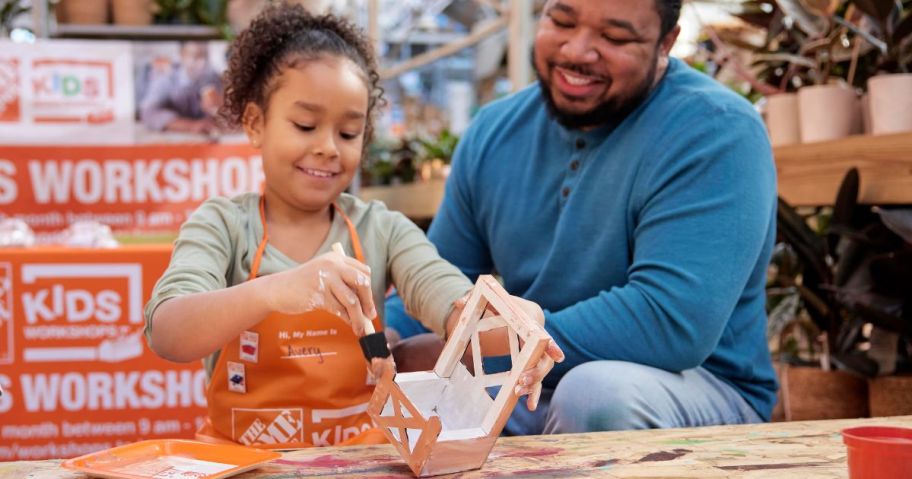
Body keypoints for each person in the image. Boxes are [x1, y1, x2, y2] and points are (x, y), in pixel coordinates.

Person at [144, 2, 562, 449]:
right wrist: (271, 291)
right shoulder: (223, 226)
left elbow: (452, 305)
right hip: (245, 463)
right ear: (255, 123)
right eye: (305, 125)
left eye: (348, 134)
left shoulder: (382, 229)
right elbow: (168, 332)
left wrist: (521, 325)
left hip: (360, 460)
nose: (327, 147)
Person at [386, 0, 778, 435]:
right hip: (529, 384)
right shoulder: (493, 130)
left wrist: (494, 346)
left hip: (692, 388)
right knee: (393, 381)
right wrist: (379, 340)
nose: (577, 50)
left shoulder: (716, 130)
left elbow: (670, 322)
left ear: (667, 42)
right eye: (562, 20)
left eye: (614, 37)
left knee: (595, 393)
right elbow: (441, 276)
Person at [139, 41, 222, 136]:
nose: (201, 62)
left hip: (206, 140)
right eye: (195, 56)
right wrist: (191, 126)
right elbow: (148, 113)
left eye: (205, 56)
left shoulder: (212, 78)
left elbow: (227, 116)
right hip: (171, 140)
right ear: (182, 54)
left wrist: (218, 107)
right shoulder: (167, 78)